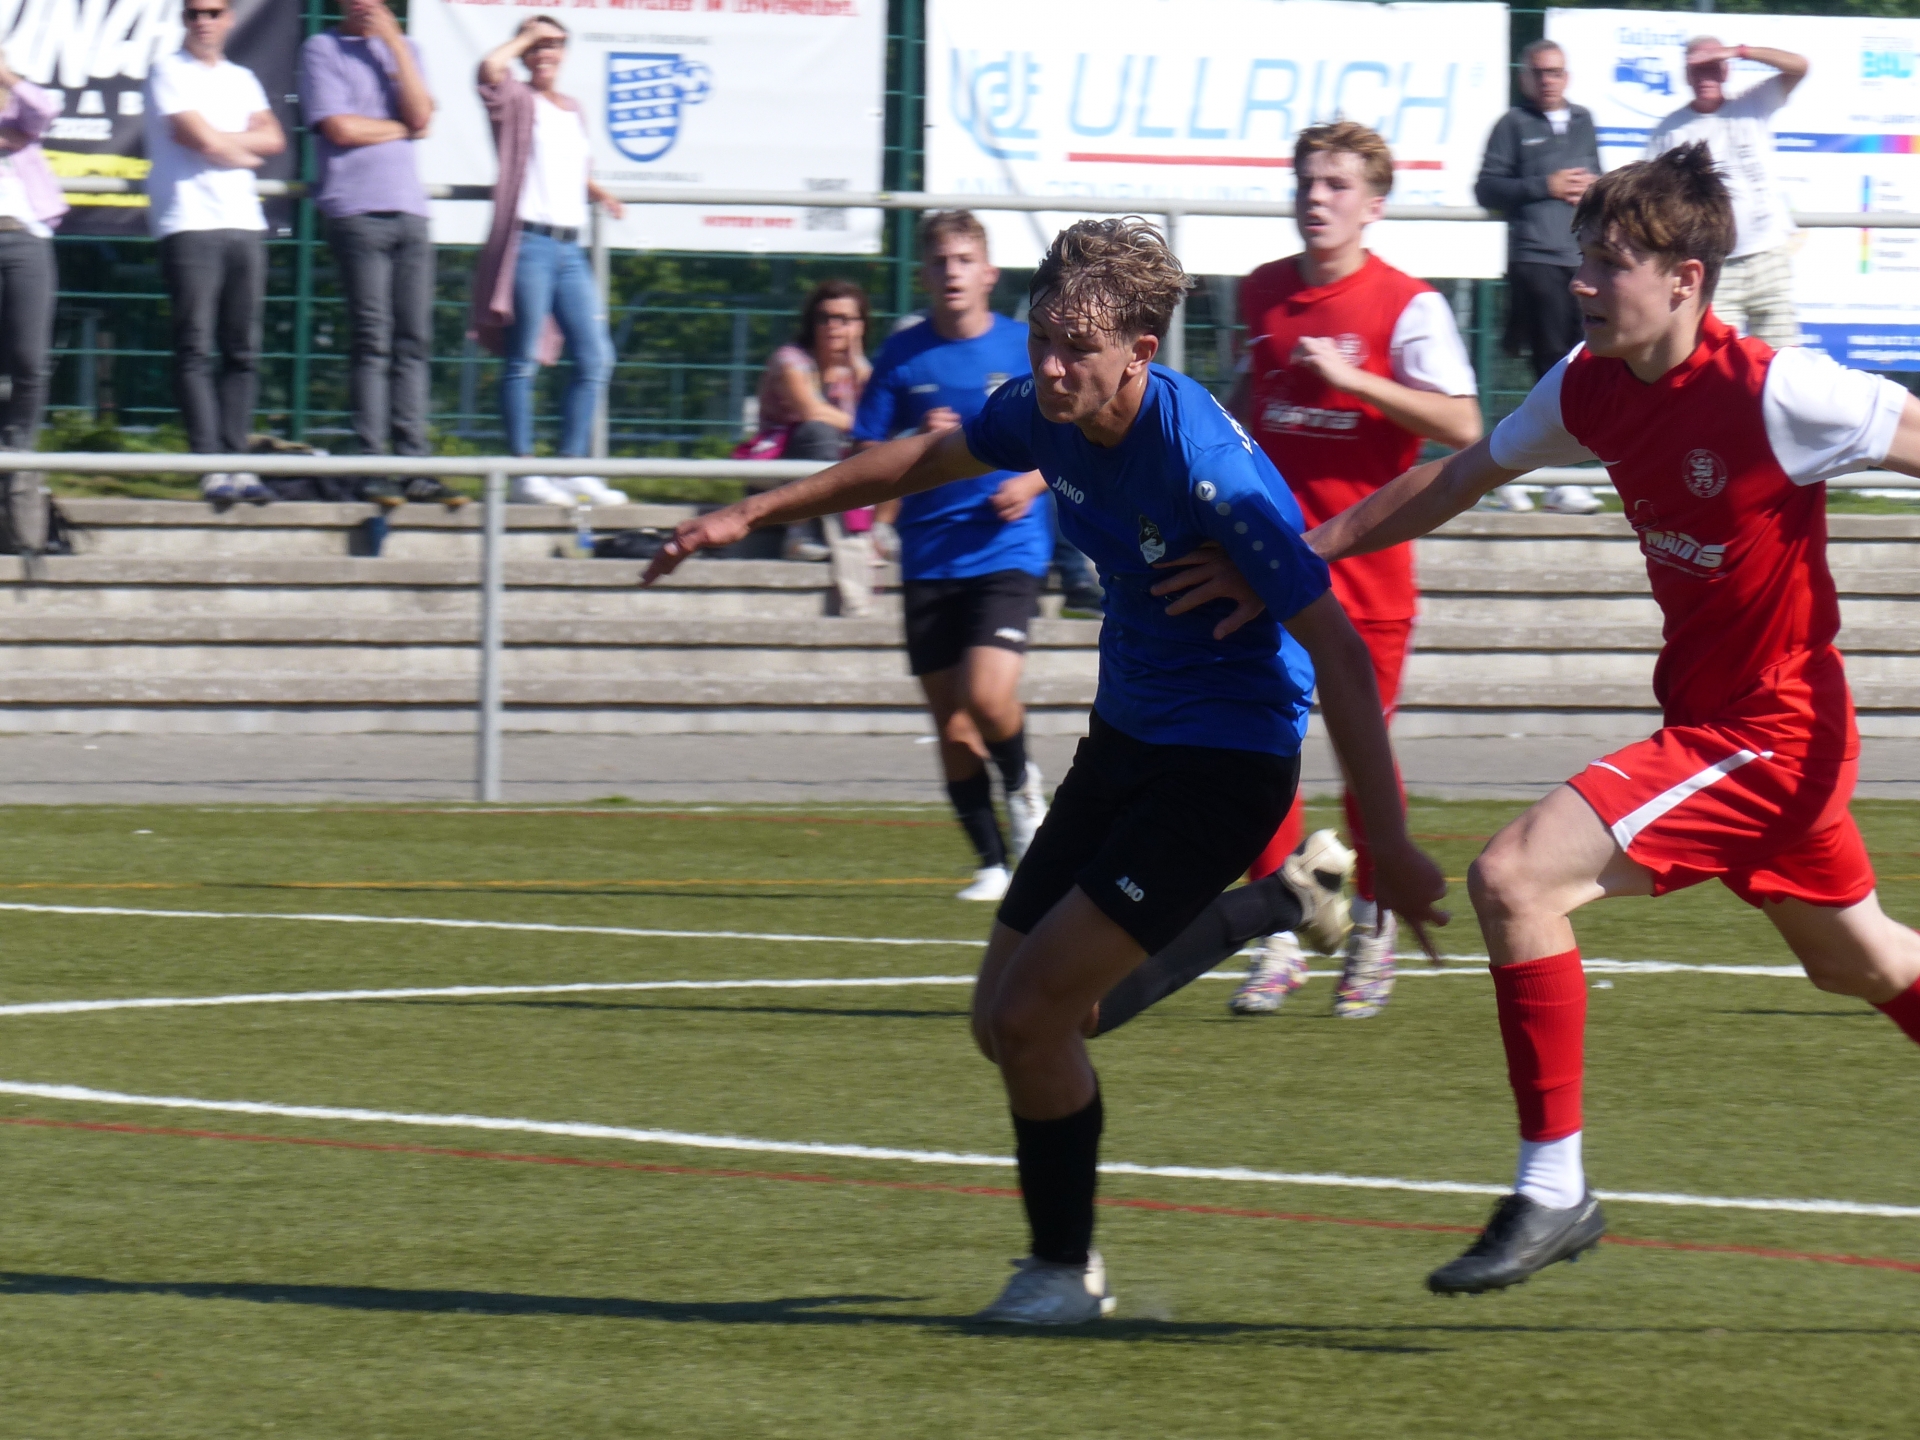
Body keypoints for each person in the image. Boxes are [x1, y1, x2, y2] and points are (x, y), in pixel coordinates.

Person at [642, 217, 1448, 1324]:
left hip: (1225, 765)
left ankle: (1062, 1275)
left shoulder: (1208, 468)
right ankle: (1280, 902)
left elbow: (1344, 658)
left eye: (1077, 349)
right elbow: (920, 458)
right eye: (1041, 343)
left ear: (1142, 353)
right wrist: (749, 509)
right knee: (1006, 1023)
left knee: (1036, 1019)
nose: (1051, 369)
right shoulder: (1047, 409)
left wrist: (1391, 840)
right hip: (1124, 744)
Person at [1287, 144, 1920, 1294]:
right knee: (1865, 964)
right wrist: (1302, 555)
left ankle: (1552, 1188)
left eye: (1610, 262)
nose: (1581, 282)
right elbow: (1458, 476)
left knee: (1514, 878)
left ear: (1685, 279)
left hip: (1770, 739)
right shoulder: (1589, 382)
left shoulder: (1780, 391)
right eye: (1581, 258)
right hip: (1723, 728)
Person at [1223, 120, 1480, 1019]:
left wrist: (1355, 380)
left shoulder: (1409, 305)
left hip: (1366, 579)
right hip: (1263, 572)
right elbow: (1246, 402)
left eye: (1336, 184)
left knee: (1364, 767)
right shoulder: (1261, 291)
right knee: (1252, 758)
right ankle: (1279, 936)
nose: (1316, 197)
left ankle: (1373, 929)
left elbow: (1465, 425)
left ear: (1374, 204)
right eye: (1307, 181)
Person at [851, 211, 1054, 901]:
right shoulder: (903, 355)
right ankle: (992, 862)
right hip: (928, 554)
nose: (952, 272)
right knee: (951, 722)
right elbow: (863, 453)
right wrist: (914, 436)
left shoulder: (1025, 345)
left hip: (1006, 547)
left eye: (965, 260)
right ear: (923, 274)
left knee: (987, 695)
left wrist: (1031, 482)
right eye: (940, 261)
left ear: (989, 273)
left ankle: (1023, 787)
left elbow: (1076, 431)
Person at [301, 0, 458, 505]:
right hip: (356, 209)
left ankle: (414, 463)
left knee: (414, 338)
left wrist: (393, 43)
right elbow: (342, 129)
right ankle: (370, 460)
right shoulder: (323, 48)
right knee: (373, 338)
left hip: (409, 211)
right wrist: (404, 128)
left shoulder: (406, 48)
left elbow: (422, 113)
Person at [471, 17, 625, 505]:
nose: (545, 52)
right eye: (537, 45)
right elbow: (488, 70)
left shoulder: (572, 108)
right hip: (530, 242)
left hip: (570, 246)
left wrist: (601, 193)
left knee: (595, 356)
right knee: (523, 359)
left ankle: (570, 465)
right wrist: (526, 35)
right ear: (524, 52)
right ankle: (524, 471)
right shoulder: (518, 99)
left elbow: (572, 167)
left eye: (555, 44)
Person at [145, 0, 285, 505]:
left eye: (213, 12)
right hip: (189, 221)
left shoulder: (241, 78)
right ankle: (209, 463)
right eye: (193, 13)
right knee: (195, 346)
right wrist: (241, 149)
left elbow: (274, 138)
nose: (203, 21)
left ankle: (237, 460)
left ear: (229, 19)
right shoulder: (167, 71)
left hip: (244, 222)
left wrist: (227, 144)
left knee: (242, 349)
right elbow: (195, 137)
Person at [1645, 36, 1807, 349]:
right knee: (1715, 360)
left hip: (1768, 254)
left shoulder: (1752, 103)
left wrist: (1738, 51)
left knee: (1782, 360)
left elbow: (1799, 66)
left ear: (1725, 71)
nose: (1706, 77)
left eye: (1713, 67)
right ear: (1686, 75)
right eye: (1698, 69)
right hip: (1712, 265)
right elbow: (1653, 199)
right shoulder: (1671, 130)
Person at [744, 279, 877, 613]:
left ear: (861, 325)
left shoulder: (859, 370)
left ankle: (877, 531)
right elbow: (811, 410)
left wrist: (858, 363)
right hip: (782, 466)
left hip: (838, 470)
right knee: (819, 432)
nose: (833, 326)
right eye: (824, 317)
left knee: (889, 446)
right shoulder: (790, 360)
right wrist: (864, 427)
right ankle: (802, 530)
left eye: (844, 319)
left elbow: (880, 417)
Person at [1476, 42, 1600, 385]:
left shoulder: (1584, 120)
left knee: (1591, 355)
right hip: (1537, 258)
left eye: (1555, 72)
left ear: (1566, 77)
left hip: (1583, 258)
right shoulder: (1512, 124)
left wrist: (1596, 187)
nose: (1547, 81)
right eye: (1539, 73)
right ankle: (1553, 418)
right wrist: (1546, 186)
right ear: (1524, 79)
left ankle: (1585, 418)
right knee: (1552, 360)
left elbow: (1596, 176)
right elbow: (1487, 189)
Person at [0, 43, 66, 455]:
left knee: (29, 358)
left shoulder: (18, 116)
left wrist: (6, 77)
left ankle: (18, 453)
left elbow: (45, 109)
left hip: (26, 238)